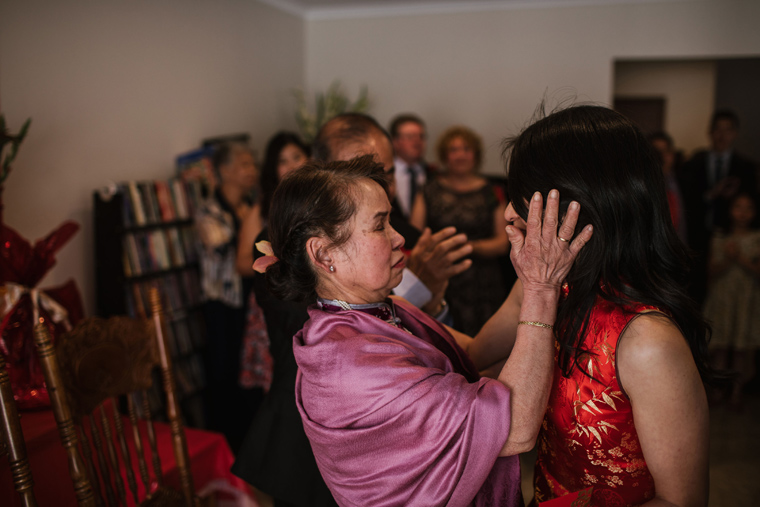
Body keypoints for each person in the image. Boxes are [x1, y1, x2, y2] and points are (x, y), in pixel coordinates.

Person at [258, 154, 591, 506]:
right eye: (379, 225)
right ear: (325, 255)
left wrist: (533, 268)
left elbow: (475, 357)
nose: (399, 237)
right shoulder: (349, 363)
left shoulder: (380, 311)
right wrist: (541, 289)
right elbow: (516, 427)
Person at [232, 115, 472, 506]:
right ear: (327, 167)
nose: (377, 181)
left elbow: (429, 332)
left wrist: (435, 296)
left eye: (386, 171)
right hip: (303, 450)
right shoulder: (280, 243)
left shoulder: (399, 228)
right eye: (361, 166)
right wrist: (418, 283)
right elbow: (306, 320)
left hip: (394, 449)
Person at [503, 105, 711, 506]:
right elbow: (476, 358)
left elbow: (683, 501)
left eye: (522, 198)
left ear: (577, 207)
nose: (511, 213)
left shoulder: (647, 341)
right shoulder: (551, 287)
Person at [411, 125, 510, 336]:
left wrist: (466, 246)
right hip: (442, 276)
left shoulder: (493, 190)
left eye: (466, 149)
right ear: (444, 156)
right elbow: (415, 236)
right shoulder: (428, 190)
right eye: (454, 150)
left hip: (484, 282)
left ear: (475, 154)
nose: (460, 155)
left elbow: (503, 242)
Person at [234, 132, 310, 401]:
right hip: (275, 297)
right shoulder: (263, 209)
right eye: (282, 160)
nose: (291, 165)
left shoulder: (320, 201)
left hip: (311, 299)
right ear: (273, 168)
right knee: (281, 378)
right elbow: (242, 261)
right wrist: (275, 263)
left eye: (296, 157)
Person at [195, 142, 258, 451]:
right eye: (245, 164)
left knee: (248, 371)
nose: (252, 171)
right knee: (225, 371)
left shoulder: (250, 206)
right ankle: (226, 444)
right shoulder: (209, 211)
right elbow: (226, 249)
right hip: (223, 305)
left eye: (252, 164)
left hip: (250, 300)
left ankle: (249, 438)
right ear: (224, 171)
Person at [679, 109, 758, 303]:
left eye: (728, 130)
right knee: (694, 291)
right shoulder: (695, 162)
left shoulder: (746, 166)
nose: (722, 135)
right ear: (710, 132)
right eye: (718, 130)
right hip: (697, 236)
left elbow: (751, 203)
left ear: (735, 133)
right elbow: (685, 199)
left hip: (731, 237)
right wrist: (711, 194)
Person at [703, 192, 760, 406]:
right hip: (723, 298)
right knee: (720, 346)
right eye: (738, 207)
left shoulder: (756, 238)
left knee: (740, 349)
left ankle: (737, 392)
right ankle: (718, 391)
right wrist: (728, 258)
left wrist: (740, 258)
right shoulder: (719, 237)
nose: (743, 213)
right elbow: (711, 271)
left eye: (748, 208)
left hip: (746, 298)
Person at [389, 113, 432, 218]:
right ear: (395, 141)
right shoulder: (384, 173)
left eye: (421, 136)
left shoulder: (434, 174)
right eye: (410, 137)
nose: (417, 141)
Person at [649, 131, 687, 243]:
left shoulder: (685, 179)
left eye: (666, 151)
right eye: (657, 152)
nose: (662, 157)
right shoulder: (642, 186)